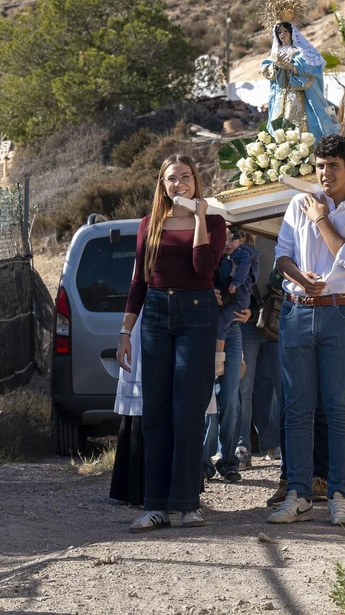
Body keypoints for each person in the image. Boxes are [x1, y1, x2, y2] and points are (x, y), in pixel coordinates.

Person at [266, 134, 345, 528]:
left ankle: (339, 497)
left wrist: (320, 218)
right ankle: (298, 494)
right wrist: (300, 277)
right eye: (320, 166)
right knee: (297, 407)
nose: (325, 173)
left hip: (341, 312)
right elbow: (282, 254)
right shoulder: (297, 204)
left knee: (338, 408)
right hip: (297, 311)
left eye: (333, 166)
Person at [119, 155, 228, 532]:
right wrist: (124, 332)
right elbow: (139, 281)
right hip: (155, 315)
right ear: (162, 185)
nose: (178, 184)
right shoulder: (149, 223)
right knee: (156, 413)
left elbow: (203, 267)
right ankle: (155, 507)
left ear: (196, 181)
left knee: (188, 410)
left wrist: (199, 217)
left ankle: (187, 505)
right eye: (171, 179)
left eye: (185, 177)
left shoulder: (214, 222)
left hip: (197, 314)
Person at [203, 227, 256, 482]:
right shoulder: (205, 253)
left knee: (231, 397)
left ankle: (228, 462)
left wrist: (251, 311)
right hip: (204, 328)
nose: (226, 241)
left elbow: (252, 291)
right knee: (206, 400)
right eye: (221, 236)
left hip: (232, 328)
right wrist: (205, 292)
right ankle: (203, 462)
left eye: (230, 236)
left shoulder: (242, 255)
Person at [237, 240, 283, 468]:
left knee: (275, 386)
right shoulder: (234, 239)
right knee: (244, 389)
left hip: (274, 318)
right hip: (246, 323)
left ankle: (274, 443)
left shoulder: (273, 232)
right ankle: (242, 448)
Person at [262, 21, 340, 140]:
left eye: (285, 31)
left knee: (299, 123)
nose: (282, 34)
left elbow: (312, 69)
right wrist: (275, 66)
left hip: (297, 94)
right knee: (277, 124)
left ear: (291, 33)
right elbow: (266, 70)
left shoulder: (301, 51)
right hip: (280, 95)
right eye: (279, 32)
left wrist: (293, 67)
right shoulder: (274, 53)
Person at [109, 308, 146, 506]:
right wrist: (125, 333)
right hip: (143, 326)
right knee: (139, 409)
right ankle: (134, 489)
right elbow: (135, 294)